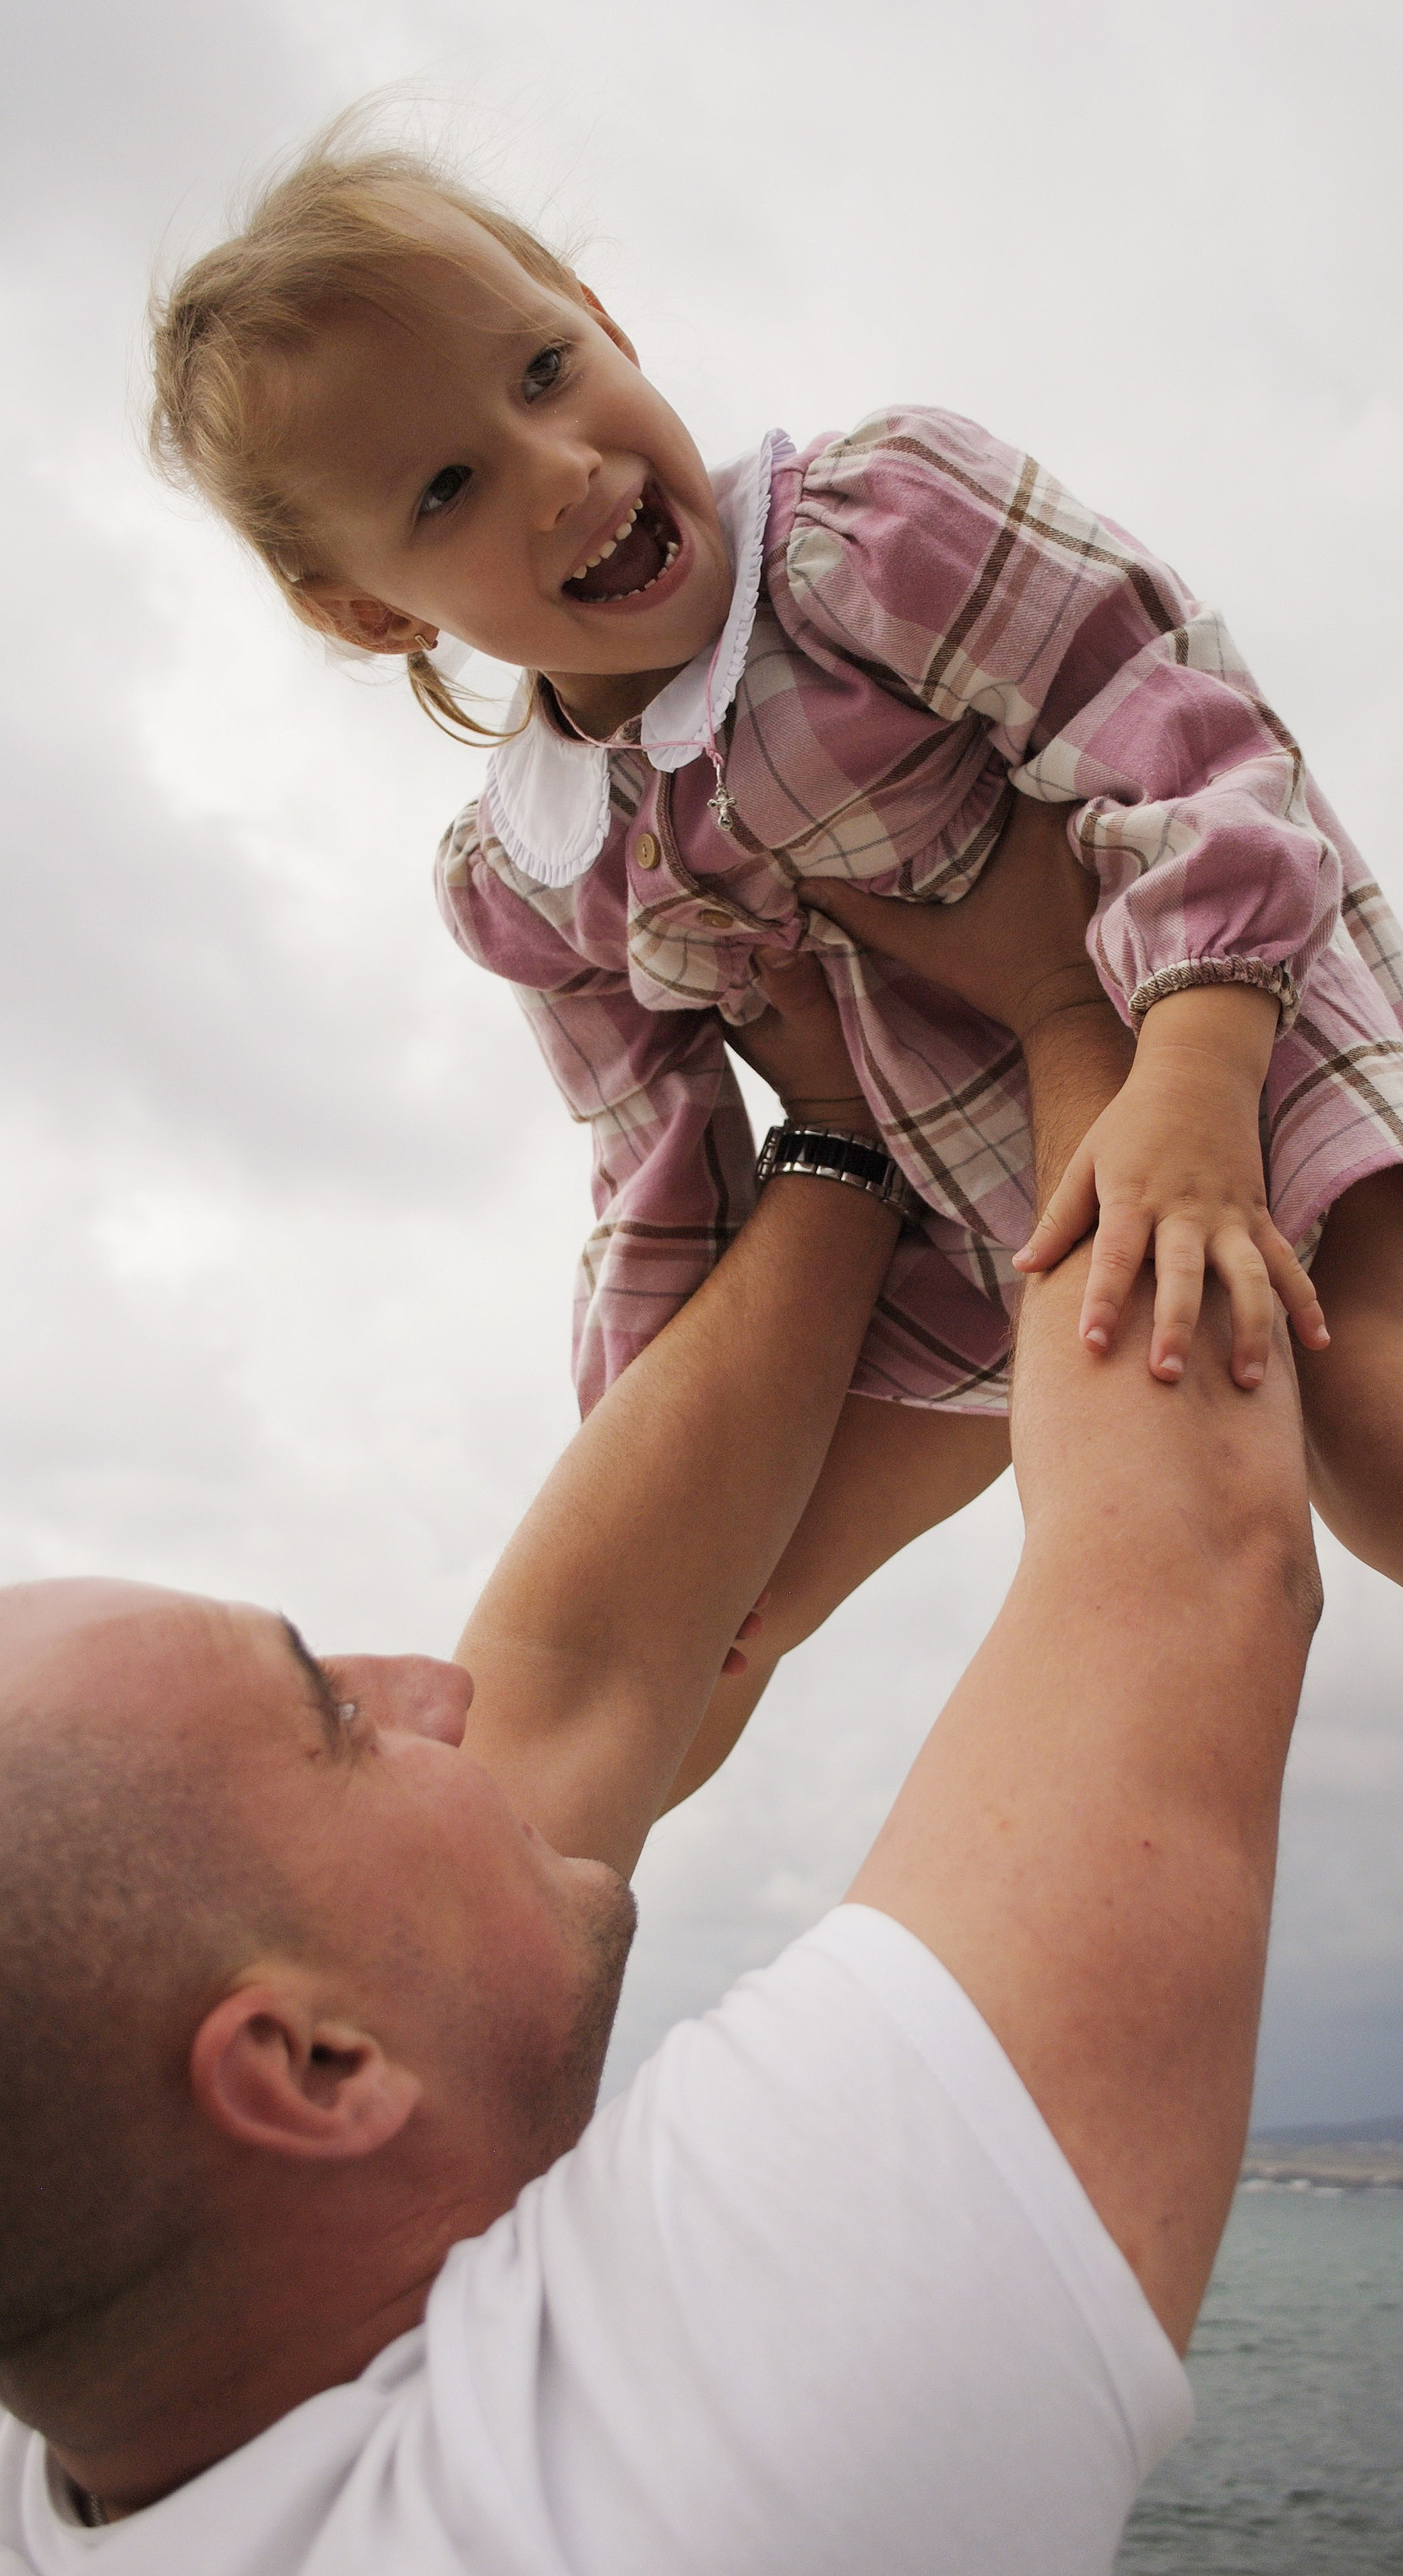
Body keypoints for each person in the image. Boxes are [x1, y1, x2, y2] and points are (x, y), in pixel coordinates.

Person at [144, 128, 1403, 2250]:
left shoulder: (876, 532)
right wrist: (668, 1482)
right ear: (365, 607)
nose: (557, 471)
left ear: (605, 322)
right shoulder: (531, 873)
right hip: (924, 1197)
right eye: (442, 489)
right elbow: (660, 1176)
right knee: (700, 1629)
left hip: (1197, 999)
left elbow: (1192, 746)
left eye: (539, 373)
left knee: (1395, 1414)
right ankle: (434, 2101)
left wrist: (1189, 1064)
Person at [0, 879, 1320, 2569]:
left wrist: (838, 1141)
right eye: (337, 1723)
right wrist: (1076, 997)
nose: (438, 1690)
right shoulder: (684, 2473)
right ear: (314, 2070)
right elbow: (1185, 1563)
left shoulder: (128, 2365)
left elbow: (587, 1672)